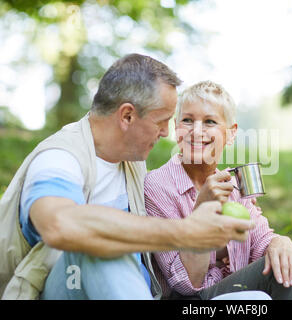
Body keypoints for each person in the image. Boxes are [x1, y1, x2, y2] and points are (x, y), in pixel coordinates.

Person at [0, 54, 268, 300]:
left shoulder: (131, 163)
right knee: (103, 247)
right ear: (127, 115)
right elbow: (59, 224)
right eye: (162, 120)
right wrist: (187, 231)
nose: (167, 132)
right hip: (62, 289)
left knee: (256, 300)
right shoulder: (60, 159)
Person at [144, 81, 292, 300]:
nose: (196, 130)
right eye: (187, 120)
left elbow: (261, 242)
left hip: (231, 290)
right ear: (177, 128)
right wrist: (202, 209)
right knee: (286, 276)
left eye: (210, 121)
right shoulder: (158, 186)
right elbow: (185, 283)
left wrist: (279, 241)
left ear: (231, 134)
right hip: (191, 299)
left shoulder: (232, 184)